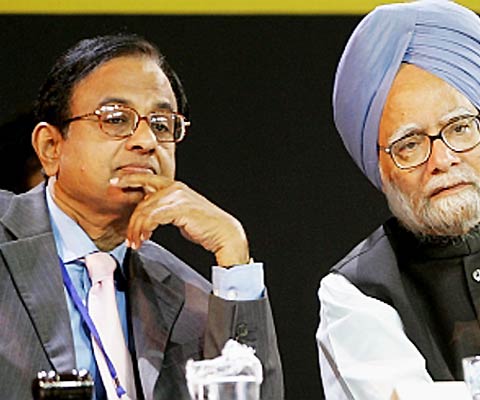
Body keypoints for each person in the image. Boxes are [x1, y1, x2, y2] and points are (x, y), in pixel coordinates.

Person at [0, 34, 283, 400]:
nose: (146, 141)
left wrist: (235, 258)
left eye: (162, 125)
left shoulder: (186, 297)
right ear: (51, 147)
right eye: (117, 119)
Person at [316, 1, 480, 399]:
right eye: (410, 144)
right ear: (380, 168)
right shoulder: (357, 293)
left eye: (460, 127)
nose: (443, 159)